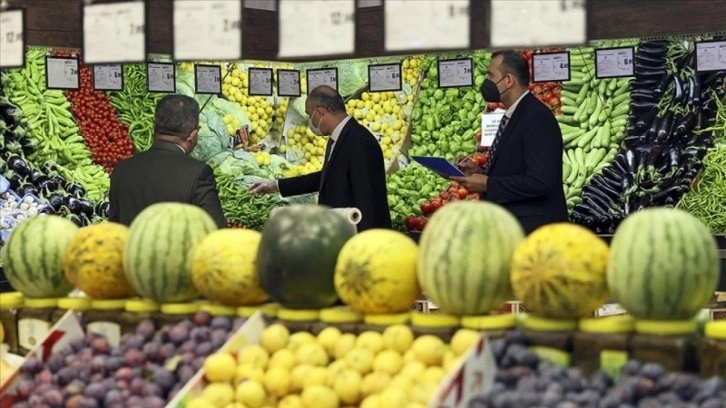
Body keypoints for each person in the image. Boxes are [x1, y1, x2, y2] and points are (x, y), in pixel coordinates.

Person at [451, 50, 568, 234]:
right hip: (514, 228)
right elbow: (516, 168)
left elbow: (540, 181)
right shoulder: (514, 114)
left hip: (535, 232)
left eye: (491, 75)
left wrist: (488, 184)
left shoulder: (536, 117)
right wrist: (479, 172)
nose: (487, 81)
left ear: (508, 81)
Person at [250, 85, 392, 231]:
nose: (310, 121)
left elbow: (369, 200)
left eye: (310, 115)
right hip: (341, 231)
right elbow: (325, 178)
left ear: (320, 112)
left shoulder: (360, 142)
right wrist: (275, 185)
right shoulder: (336, 139)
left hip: (360, 237)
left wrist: (365, 244)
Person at [108, 94, 226, 228]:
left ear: (153, 127)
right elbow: (217, 232)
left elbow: (114, 228)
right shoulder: (199, 174)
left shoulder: (122, 169)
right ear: (193, 135)